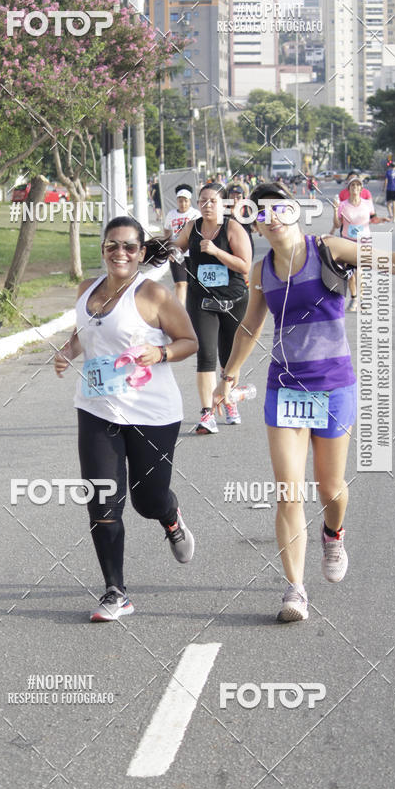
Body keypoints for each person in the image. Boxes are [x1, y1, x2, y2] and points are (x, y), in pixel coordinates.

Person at [213, 182, 395, 623]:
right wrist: (228, 375)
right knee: (288, 491)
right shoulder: (260, 271)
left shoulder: (327, 248)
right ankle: (295, 589)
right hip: (285, 389)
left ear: (295, 212)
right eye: (262, 213)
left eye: (279, 209)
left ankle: (333, 532)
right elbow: (250, 327)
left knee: (330, 488)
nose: (272, 218)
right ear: (256, 224)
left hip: (333, 386)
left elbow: (392, 261)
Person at [54, 216, 198, 622]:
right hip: (97, 409)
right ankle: (115, 592)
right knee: (102, 498)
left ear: (141, 252)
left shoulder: (153, 294)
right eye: (112, 245)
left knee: (147, 500)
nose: (120, 253)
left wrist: (161, 353)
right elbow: (86, 333)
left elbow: (189, 341)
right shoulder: (87, 290)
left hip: (152, 413)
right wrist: (68, 350)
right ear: (103, 249)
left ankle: (170, 517)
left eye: (129, 247)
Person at [175, 182, 252, 434]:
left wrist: (217, 251)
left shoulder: (233, 228)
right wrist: (171, 250)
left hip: (233, 300)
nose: (207, 205)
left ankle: (228, 399)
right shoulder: (192, 227)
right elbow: (177, 246)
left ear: (223, 204)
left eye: (212, 201)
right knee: (206, 354)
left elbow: (245, 265)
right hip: (201, 300)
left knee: (230, 357)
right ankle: (207, 413)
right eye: (203, 201)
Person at [332, 174, 376, 312]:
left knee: (360, 271)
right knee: (350, 274)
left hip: (364, 241)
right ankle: (354, 298)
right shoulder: (343, 205)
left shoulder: (367, 204)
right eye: (353, 185)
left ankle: (362, 299)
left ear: (361, 188)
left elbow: (373, 219)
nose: (355, 187)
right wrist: (335, 210)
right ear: (349, 188)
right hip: (348, 241)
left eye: (358, 185)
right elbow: (337, 224)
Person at [163, 184, 200, 306]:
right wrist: (168, 247)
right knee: (180, 283)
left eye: (185, 201)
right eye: (180, 201)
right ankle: (181, 310)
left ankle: (194, 308)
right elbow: (167, 231)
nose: (183, 204)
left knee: (193, 284)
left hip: (193, 253)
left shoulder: (196, 214)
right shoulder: (171, 214)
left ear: (190, 201)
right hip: (177, 253)